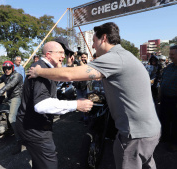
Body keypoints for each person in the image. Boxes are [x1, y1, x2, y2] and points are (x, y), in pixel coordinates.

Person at [28, 22, 161, 169]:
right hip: (147, 130)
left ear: (103, 38)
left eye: (94, 41)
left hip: (135, 134)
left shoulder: (114, 57)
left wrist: (38, 72)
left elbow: (68, 75)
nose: (92, 46)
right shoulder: (123, 56)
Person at [16, 40, 93, 169]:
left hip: (33, 125)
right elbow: (41, 105)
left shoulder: (46, 68)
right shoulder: (41, 70)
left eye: (65, 54)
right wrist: (76, 105)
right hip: (35, 129)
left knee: (39, 162)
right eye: (61, 53)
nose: (64, 56)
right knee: (49, 164)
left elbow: (62, 75)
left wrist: (67, 66)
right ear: (48, 55)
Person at [159, 45, 177, 152]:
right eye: (170, 54)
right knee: (164, 120)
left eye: (172, 54)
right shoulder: (169, 67)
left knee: (175, 123)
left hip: (175, 100)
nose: (170, 56)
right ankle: (164, 138)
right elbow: (163, 81)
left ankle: (174, 143)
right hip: (165, 99)